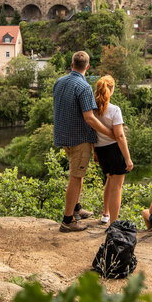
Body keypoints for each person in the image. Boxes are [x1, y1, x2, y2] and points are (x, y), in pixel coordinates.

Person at [53, 51, 114, 232]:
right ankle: (68, 220)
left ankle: (77, 208)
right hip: (78, 139)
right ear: (87, 67)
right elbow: (90, 118)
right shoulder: (84, 87)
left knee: (77, 173)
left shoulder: (59, 82)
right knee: (76, 177)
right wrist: (110, 133)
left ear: (72, 65)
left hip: (63, 136)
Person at [93, 75, 134, 224]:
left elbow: (92, 133)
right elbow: (120, 137)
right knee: (117, 188)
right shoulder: (114, 110)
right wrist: (128, 158)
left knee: (109, 180)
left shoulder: (93, 110)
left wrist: (95, 152)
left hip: (101, 150)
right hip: (115, 151)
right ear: (111, 90)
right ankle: (114, 224)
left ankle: (106, 214)